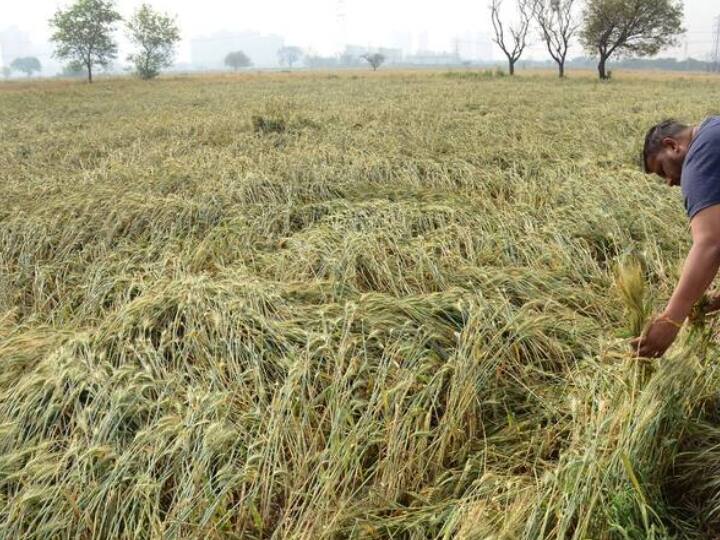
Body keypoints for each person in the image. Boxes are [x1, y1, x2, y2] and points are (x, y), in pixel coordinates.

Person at [633, 117, 720, 358]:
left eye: (662, 170)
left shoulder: (699, 159)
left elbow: (711, 243)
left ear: (672, 146)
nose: (670, 182)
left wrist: (671, 320)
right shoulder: (715, 128)